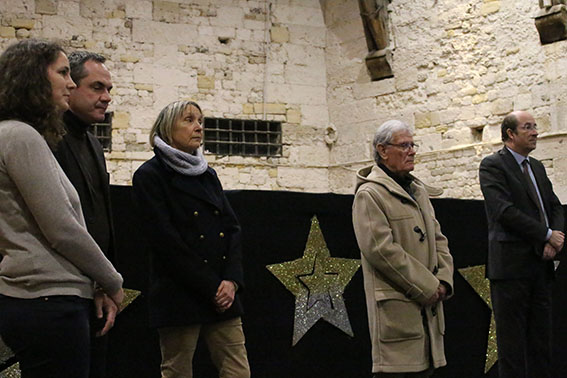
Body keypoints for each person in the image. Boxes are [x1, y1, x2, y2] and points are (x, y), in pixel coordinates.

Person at [0, 39, 124, 378]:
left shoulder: (19, 135)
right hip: (48, 300)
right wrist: (112, 280)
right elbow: (62, 228)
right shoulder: (21, 137)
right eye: (63, 72)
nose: (70, 83)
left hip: (47, 298)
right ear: (33, 77)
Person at [132, 100, 250, 378]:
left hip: (223, 294)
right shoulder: (149, 176)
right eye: (188, 120)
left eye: (200, 120)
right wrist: (212, 286)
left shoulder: (207, 174)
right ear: (166, 128)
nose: (198, 127)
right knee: (177, 372)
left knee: (238, 371)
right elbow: (165, 242)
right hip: (180, 293)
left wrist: (232, 281)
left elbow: (232, 228)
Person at [352, 120, 454, 377]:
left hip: (430, 322)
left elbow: (439, 240)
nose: (412, 151)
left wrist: (443, 280)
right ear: (382, 150)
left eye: (413, 144)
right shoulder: (370, 195)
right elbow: (381, 251)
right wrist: (427, 287)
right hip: (398, 322)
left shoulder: (418, 191)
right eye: (404, 145)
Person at [479, 110, 565, 378]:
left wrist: (555, 237)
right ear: (510, 135)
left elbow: (553, 205)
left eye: (535, 127)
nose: (535, 132)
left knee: (542, 343)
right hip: (511, 270)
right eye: (527, 127)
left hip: (540, 266)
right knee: (512, 348)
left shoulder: (536, 166)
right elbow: (504, 211)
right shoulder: (492, 165)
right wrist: (545, 235)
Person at [52, 51, 116, 378]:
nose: (106, 98)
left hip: (93, 291)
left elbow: (98, 220)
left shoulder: (93, 144)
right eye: (96, 88)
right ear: (70, 86)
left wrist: (102, 286)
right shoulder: (46, 140)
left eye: (108, 89)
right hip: (59, 294)